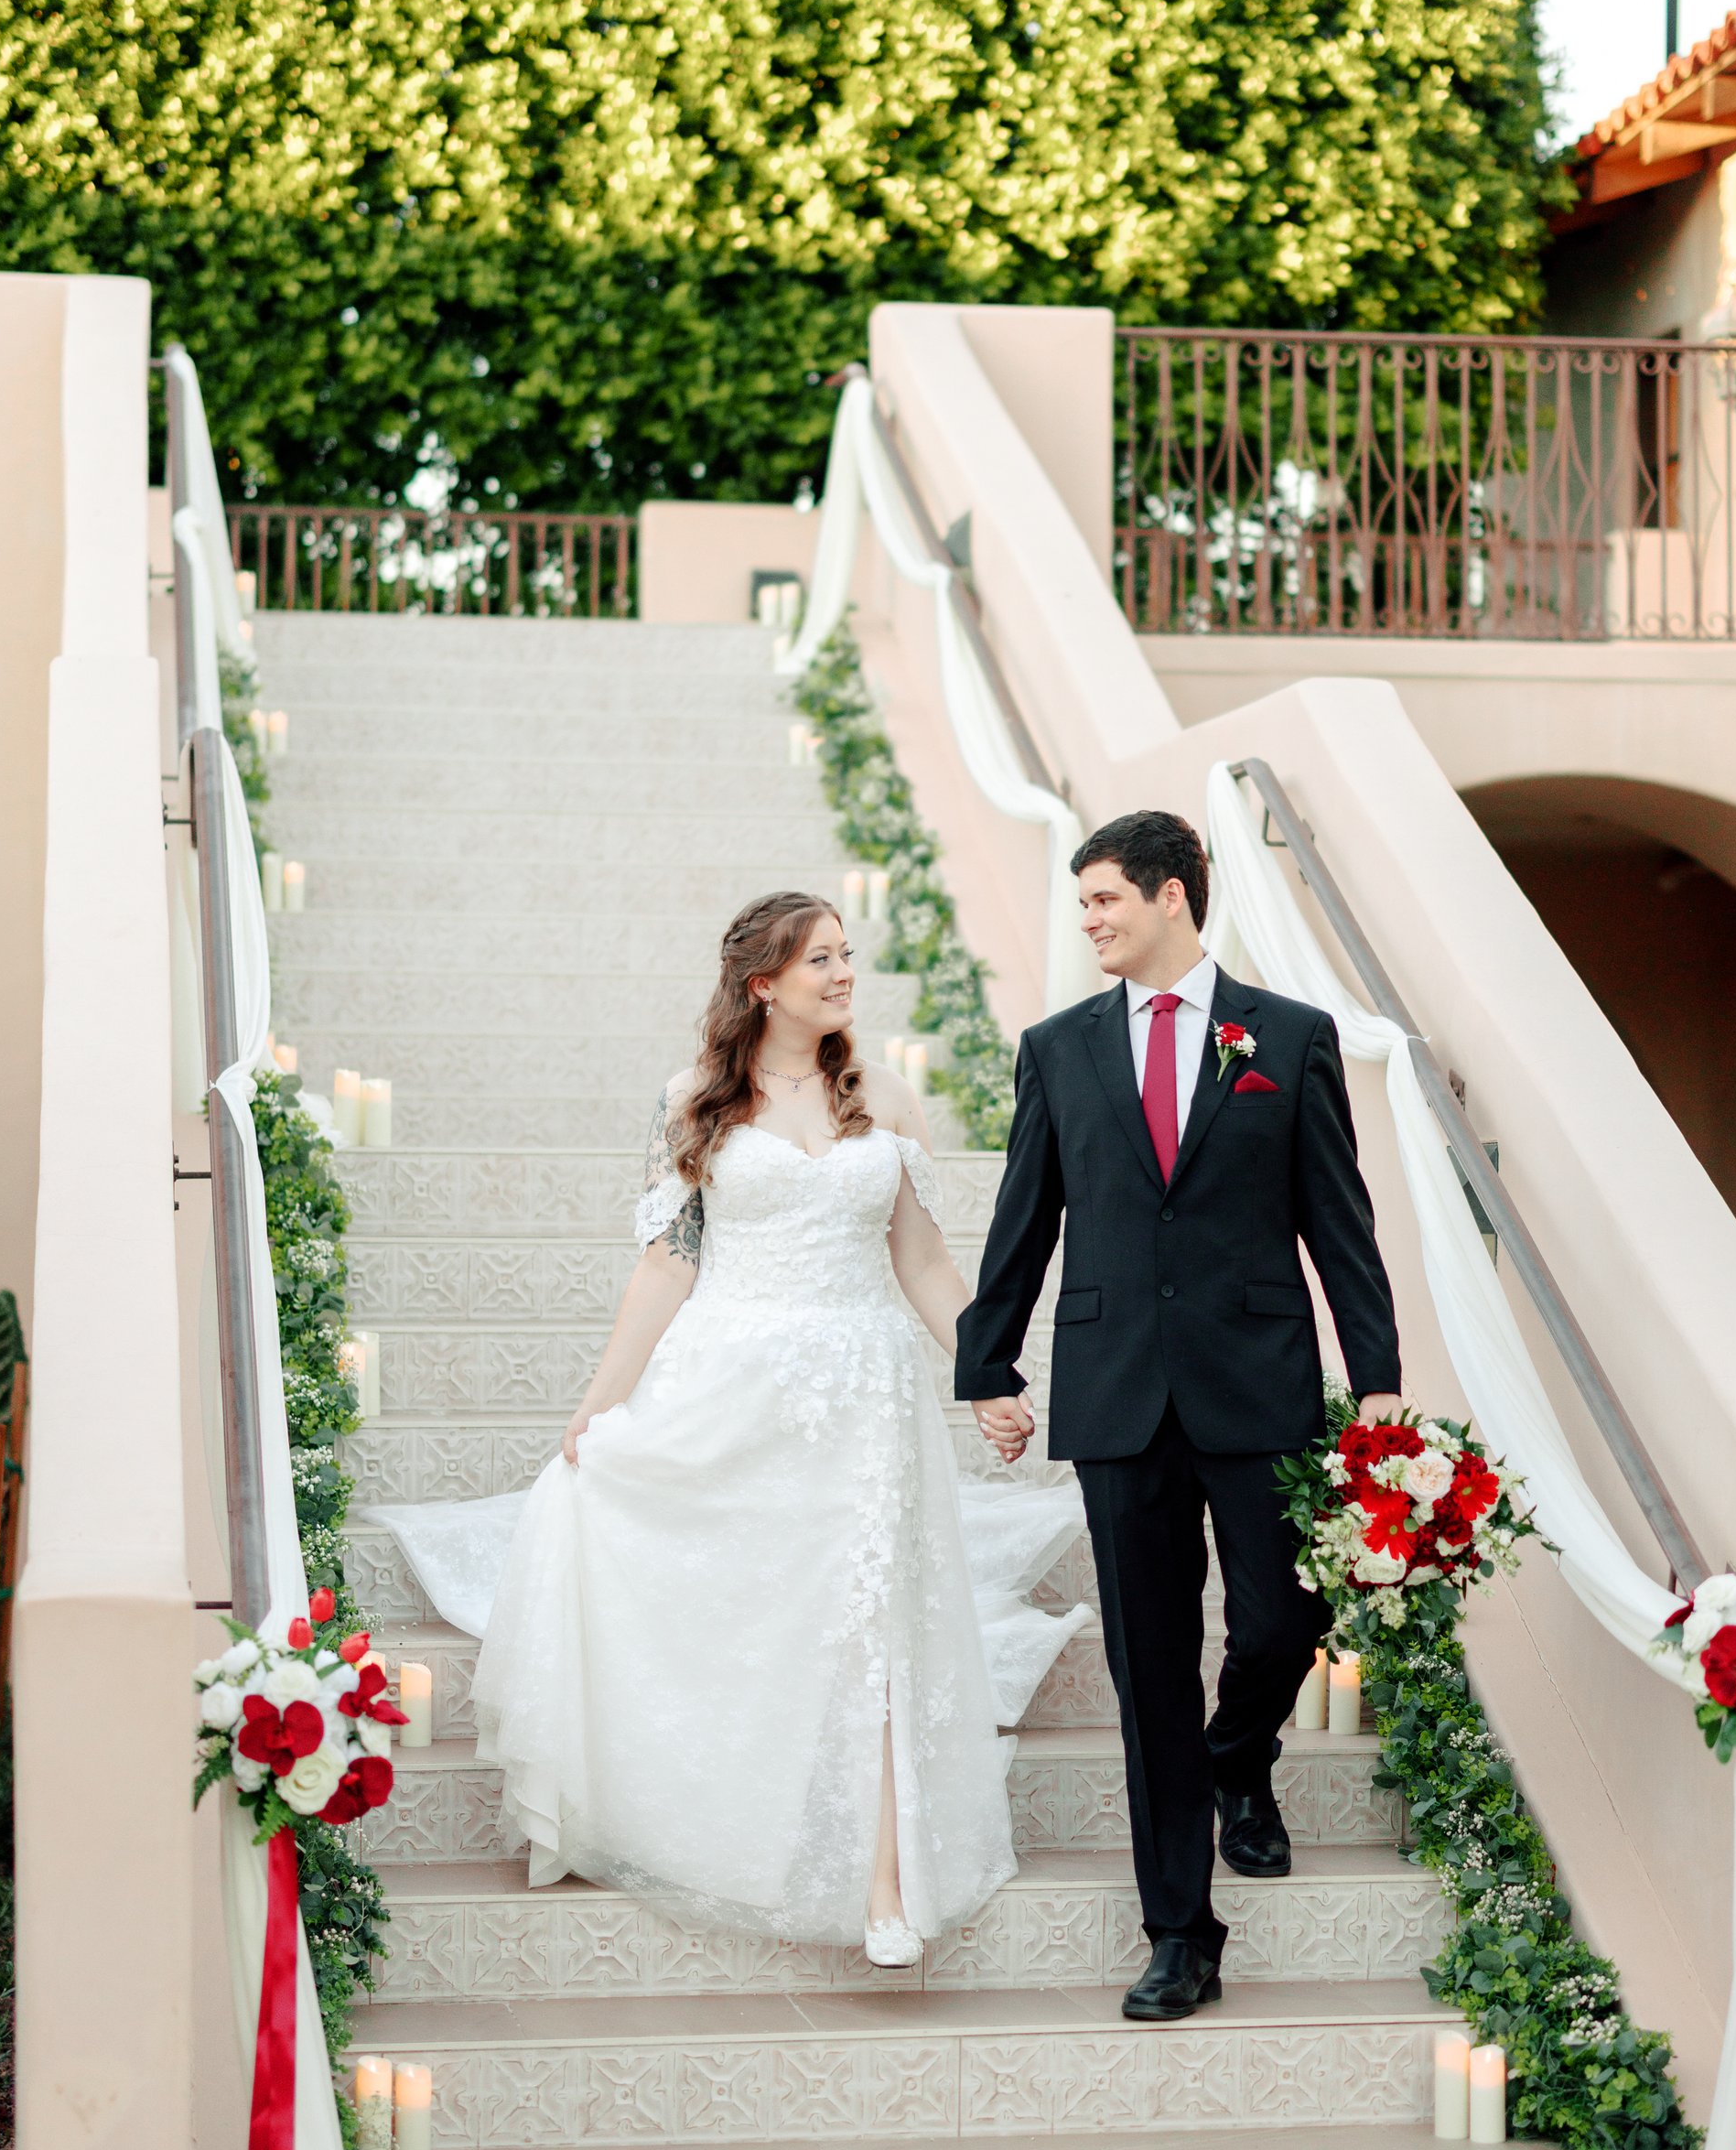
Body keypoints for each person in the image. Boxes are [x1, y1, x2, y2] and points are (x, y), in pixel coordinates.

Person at [465, 891, 1081, 1969]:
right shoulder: (694, 1100)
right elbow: (668, 1261)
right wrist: (603, 1398)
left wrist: (984, 1374)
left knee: (875, 1619)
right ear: (763, 984)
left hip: (868, 1394)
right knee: (761, 1614)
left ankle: (890, 1881)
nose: (845, 974)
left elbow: (924, 1260)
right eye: (820, 960)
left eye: (847, 955)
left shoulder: (885, 1096)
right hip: (735, 1383)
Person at [955, 809, 1402, 2023]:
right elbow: (1025, 1218)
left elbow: (1339, 1225)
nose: (1089, 918)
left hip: (1257, 1379)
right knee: (1149, 1668)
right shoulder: (1058, 1050)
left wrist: (1379, 1382)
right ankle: (1178, 1932)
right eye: (1082, 900)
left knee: (1280, 1617)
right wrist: (986, 1362)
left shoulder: (1288, 1039)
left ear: (1171, 898)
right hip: (1115, 1393)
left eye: (1104, 898)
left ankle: (1241, 1753)